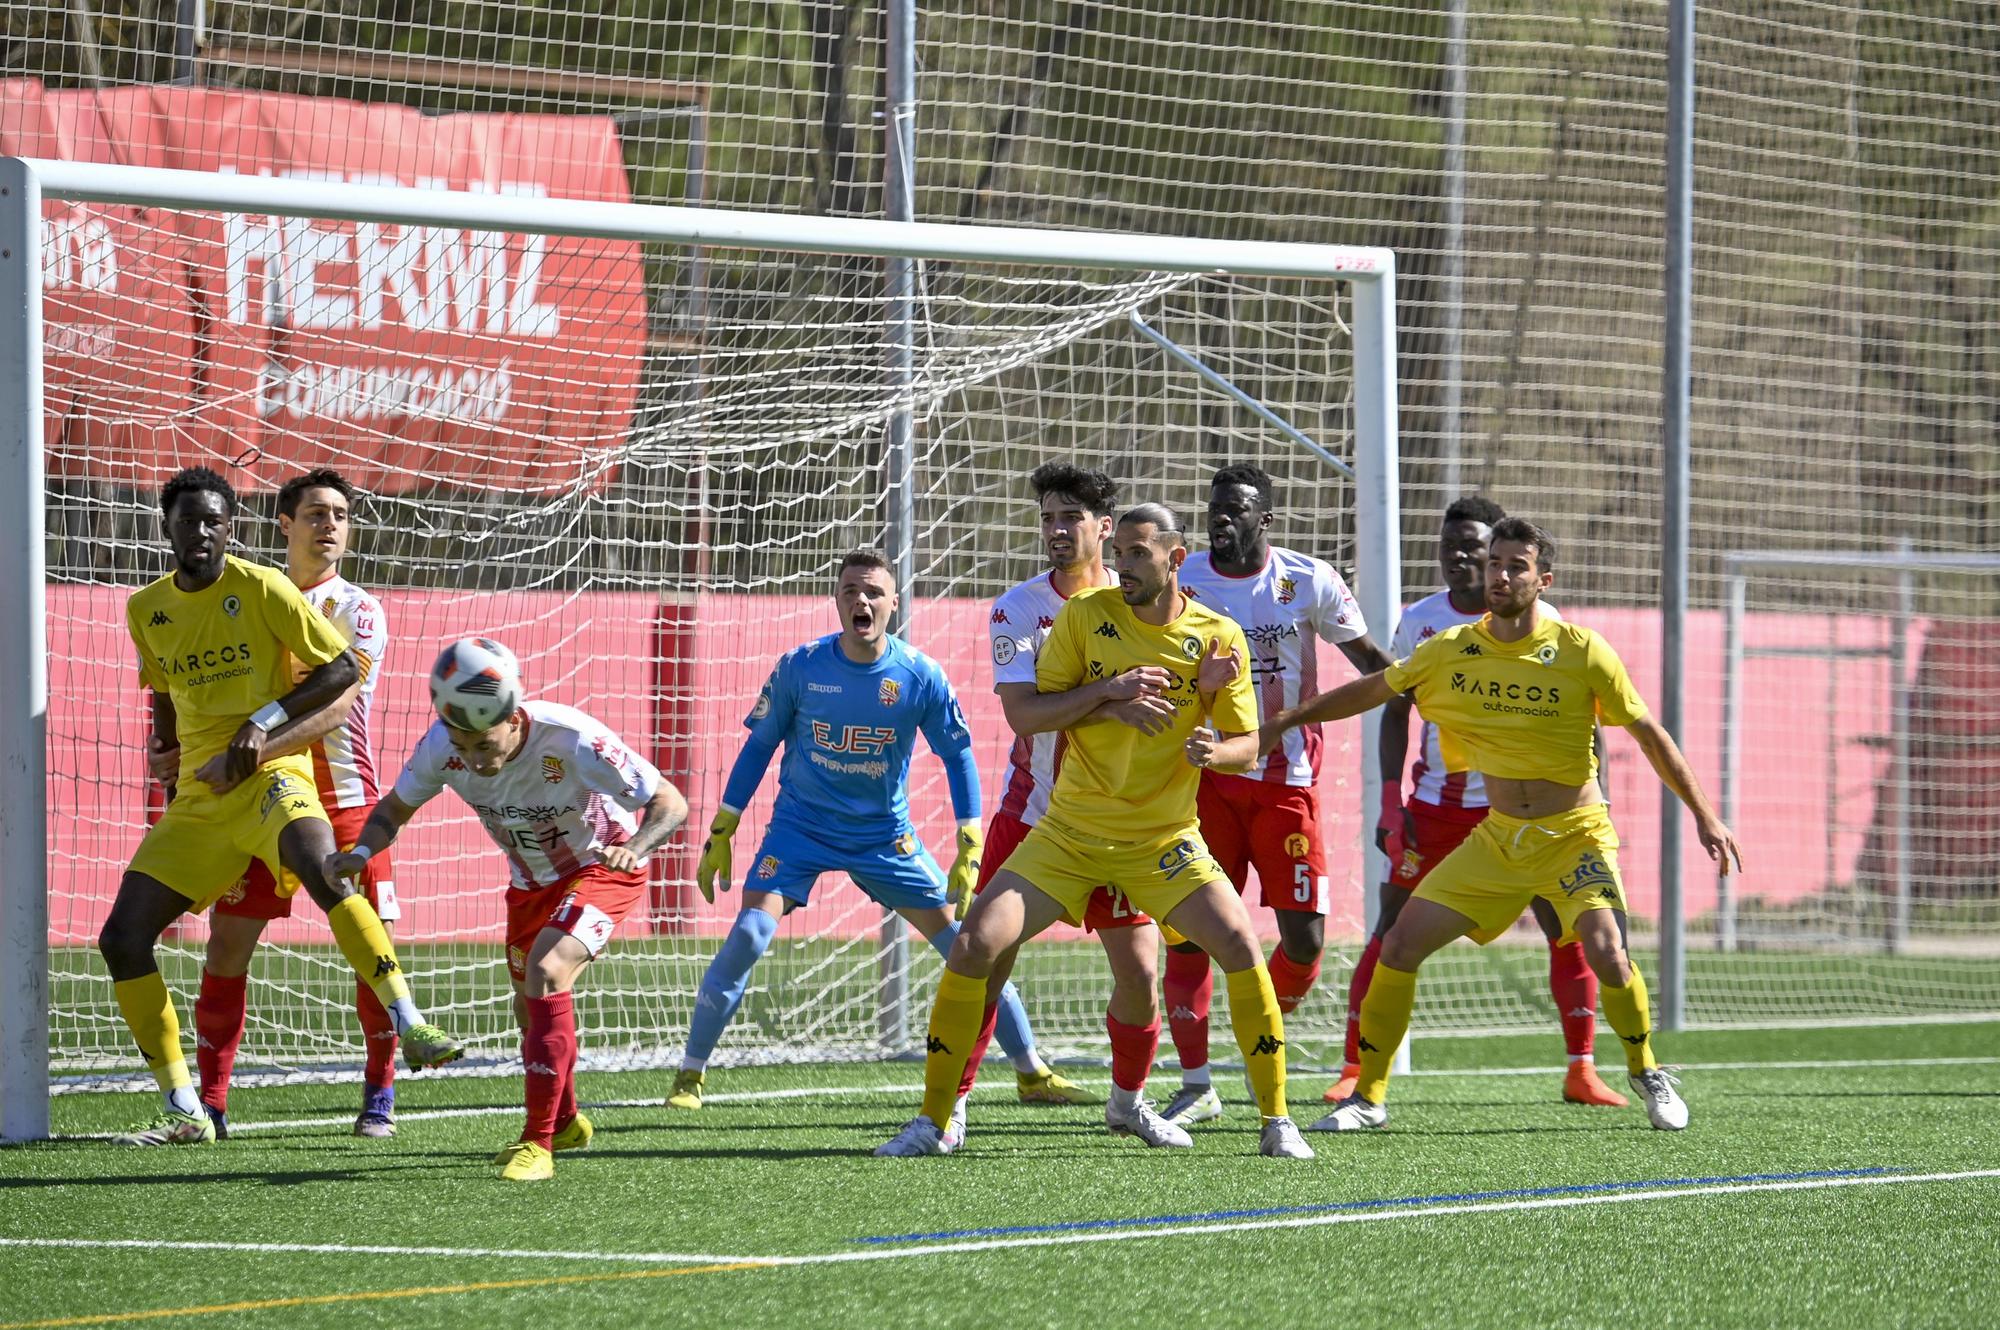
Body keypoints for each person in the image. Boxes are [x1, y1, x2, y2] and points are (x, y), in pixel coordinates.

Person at [1258, 518, 1743, 1133]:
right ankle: (1370, 1098)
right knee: (1400, 944)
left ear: (1544, 579)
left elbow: (1649, 733)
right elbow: (1377, 690)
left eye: (1517, 566)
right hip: (1497, 837)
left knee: (1607, 952)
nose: (1501, 576)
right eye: (1495, 564)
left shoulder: (1581, 651)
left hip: (1575, 835)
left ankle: (1646, 1071)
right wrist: (1279, 724)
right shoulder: (1452, 647)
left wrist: (1705, 815)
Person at [877, 504, 1315, 1160]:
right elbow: (1040, 713)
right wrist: (1112, 696)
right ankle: (935, 1121)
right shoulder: (1085, 618)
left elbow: (1246, 748)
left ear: (1176, 556)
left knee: (1238, 947)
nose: (1126, 568)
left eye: (1141, 554)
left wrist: (1209, 750)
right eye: (1125, 554)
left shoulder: (1218, 636)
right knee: (973, 945)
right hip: (1068, 835)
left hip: (1162, 841)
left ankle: (1276, 1121)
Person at [104, 467, 461, 1147]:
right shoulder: (155, 606)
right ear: (283, 526)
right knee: (214, 943)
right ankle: (199, 1106)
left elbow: (341, 693)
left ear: (231, 528)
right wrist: (168, 745)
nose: (330, 526)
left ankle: (389, 1074)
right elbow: (162, 682)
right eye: (316, 513)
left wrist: (257, 735)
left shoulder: (341, 605)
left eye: (341, 515)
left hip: (325, 789)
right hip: (216, 792)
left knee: (340, 891)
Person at [673, 549, 1081, 1137]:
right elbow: (759, 746)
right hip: (800, 829)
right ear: (837, 600)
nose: (861, 602)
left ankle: (1030, 1070)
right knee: (748, 932)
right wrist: (724, 825)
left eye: (872, 592)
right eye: (849, 592)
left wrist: (969, 837)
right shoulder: (800, 667)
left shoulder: (919, 674)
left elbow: (957, 754)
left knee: (970, 943)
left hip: (884, 838)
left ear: (893, 602)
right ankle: (690, 1073)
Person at [327, 637, 689, 1181]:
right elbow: (392, 810)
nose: (474, 759)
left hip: (601, 869)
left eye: (484, 743)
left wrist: (634, 849)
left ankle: (536, 1143)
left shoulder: (571, 738)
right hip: (529, 885)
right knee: (529, 1009)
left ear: (515, 717)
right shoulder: (440, 748)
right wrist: (359, 852)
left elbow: (671, 802)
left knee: (548, 970)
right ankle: (565, 1122)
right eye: (463, 744)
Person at [1325, 497, 1626, 1109]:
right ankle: (1355, 1068)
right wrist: (1390, 802)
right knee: (1392, 932)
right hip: (1436, 808)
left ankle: (1582, 1068)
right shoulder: (1422, 621)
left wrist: (1602, 801)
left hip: (1532, 817)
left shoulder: (1551, 626)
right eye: (1452, 546)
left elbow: (1587, 720)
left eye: (1479, 549)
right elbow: (1394, 711)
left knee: (1567, 930)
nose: (1465, 557)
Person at [949, 462, 1173, 1145]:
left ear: (1105, 529)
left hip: (1121, 824)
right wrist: (1109, 693)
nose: (1054, 530)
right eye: (1046, 517)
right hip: (1034, 817)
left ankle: (1128, 1102)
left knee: (1139, 972)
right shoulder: (1017, 610)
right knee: (983, 956)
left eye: (1069, 518)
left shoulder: (1147, 600)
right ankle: (949, 1104)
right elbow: (1024, 716)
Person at [1163, 463, 1394, 1125]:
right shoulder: (1186, 580)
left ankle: (1257, 1020)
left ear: (1265, 517)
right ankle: (1195, 1082)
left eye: (1236, 509)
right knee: (1186, 932)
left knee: (1305, 939)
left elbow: (1374, 671)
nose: (1221, 519)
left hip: (1287, 784)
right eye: (1214, 508)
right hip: (1203, 784)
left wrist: (1426, 690)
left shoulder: (1308, 579)